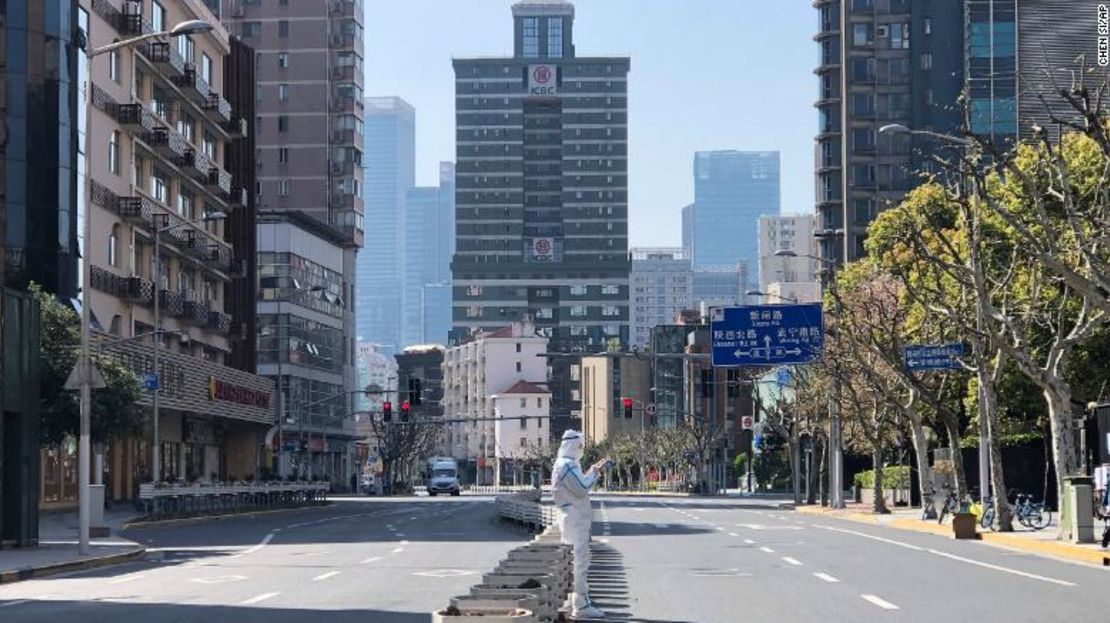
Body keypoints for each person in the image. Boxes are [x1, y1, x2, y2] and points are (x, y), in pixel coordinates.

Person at [552, 430, 608, 620]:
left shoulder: (566, 464)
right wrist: (594, 472)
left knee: (572, 560)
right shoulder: (566, 465)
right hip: (574, 520)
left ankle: (571, 599)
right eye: (580, 446)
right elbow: (582, 488)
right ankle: (581, 604)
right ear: (573, 446)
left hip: (572, 518)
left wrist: (593, 470)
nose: (582, 450)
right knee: (579, 560)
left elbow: (579, 484)